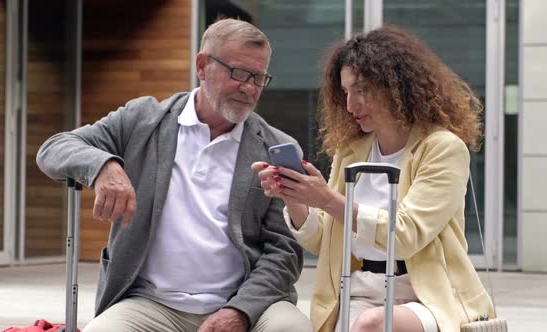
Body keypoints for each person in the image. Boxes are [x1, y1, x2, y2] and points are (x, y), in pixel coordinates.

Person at [37, 18, 313, 332]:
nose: (248, 88)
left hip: (247, 304)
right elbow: (54, 148)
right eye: (238, 73)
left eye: (258, 77)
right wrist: (104, 166)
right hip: (150, 302)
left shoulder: (276, 147)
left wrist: (240, 310)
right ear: (202, 65)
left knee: (292, 328)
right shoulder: (143, 121)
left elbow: (284, 251)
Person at [252, 25, 495, 332]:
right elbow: (324, 239)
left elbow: (405, 235)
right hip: (360, 289)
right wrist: (294, 196)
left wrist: (326, 199)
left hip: (428, 296)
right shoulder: (353, 151)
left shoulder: (442, 148)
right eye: (346, 92)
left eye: (362, 90)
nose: (352, 105)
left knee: (371, 325)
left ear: (397, 86)